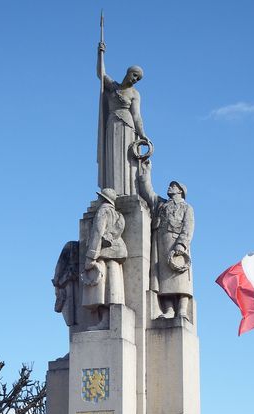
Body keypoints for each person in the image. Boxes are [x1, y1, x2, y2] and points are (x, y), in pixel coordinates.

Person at [138, 160, 195, 320]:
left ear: (180, 191)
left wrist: (181, 244)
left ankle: (182, 310)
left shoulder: (186, 207)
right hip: (160, 242)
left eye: (173, 186)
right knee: (163, 279)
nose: (170, 187)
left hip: (177, 243)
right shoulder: (161, 204)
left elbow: (188, 227)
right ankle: (169, 310)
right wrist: (146, 171)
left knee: (180, 279)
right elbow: (147, 191)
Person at [97, 41, 148, 196]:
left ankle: (127, 192)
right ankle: (112, 191)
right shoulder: (113, 86)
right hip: (112, 123)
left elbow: (137, 115)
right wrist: (100, 54)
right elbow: (101, 73)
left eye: (137, 79)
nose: (134, 80)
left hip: (128, 126)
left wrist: (143, 134)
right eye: (134, 75)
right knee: (112, 157)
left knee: (127, 160)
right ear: (128, 72)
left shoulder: (135, 94)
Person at [82, 188, 127, 330]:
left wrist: (90, 256)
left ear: (103, 199)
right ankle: (110, 321)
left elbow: (97, 233)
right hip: (116, 254)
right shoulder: (119, 215)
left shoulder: (103, 210)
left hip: (102, 254)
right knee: (113, 291)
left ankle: (104, 321)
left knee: (102, 292)